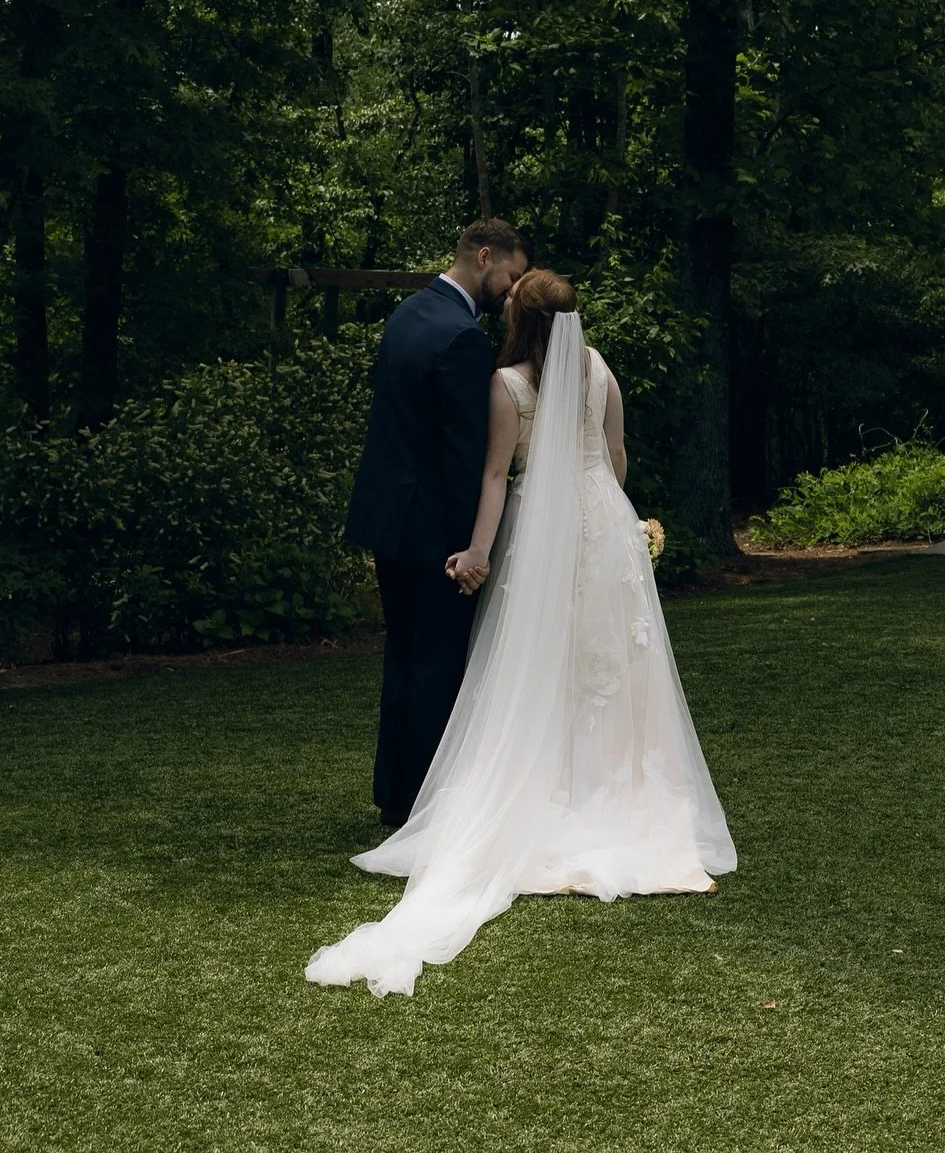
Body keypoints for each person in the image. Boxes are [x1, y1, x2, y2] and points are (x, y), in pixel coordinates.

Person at [309, 269, 736, 997]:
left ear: (520, 318)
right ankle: (620, 797)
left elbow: (495, 477)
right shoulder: (600, 368)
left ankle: (546, 797)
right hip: (605, 527)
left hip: (541, 533)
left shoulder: (507, 385)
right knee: (612, 668)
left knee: (538, 668)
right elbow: (618, 454)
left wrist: (478, 551)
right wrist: (615, 514)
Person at [344, 220, 530, 827]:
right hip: (432, 530)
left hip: (389, 520)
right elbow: (462, 458)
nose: (511, 290)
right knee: (436, 664)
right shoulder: (463, 339)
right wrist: (471, 548)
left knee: (403, 654)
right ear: (483, 258)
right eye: (509, 275)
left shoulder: (408, 314)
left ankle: (394, 795)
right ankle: (425, 803)